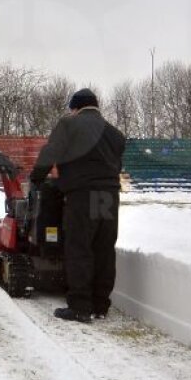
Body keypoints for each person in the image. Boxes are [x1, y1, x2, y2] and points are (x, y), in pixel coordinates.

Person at [28, 88, 126, 323]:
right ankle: (101, 305)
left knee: (79, 247)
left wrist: (36, 179)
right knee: (103, 248)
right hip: (109, 195)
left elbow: (50, 152)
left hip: (82, 194)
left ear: (76, 107)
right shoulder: (115, 134)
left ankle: (80, 306)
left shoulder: (69, 124)